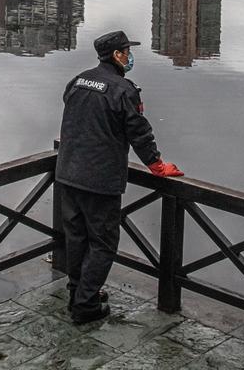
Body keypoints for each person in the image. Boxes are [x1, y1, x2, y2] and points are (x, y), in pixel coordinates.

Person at [56, 30, 183, 324]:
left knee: (77, 238)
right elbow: (138, 131)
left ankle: (79, 292)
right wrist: (156, 164)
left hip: (68, 173)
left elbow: (77, 119)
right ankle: (85, 306)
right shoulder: (123, 90)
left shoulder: (77, 81)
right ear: (117, 55)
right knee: (103, 243)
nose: (130, 55)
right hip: (99, 180)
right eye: (127, 51)